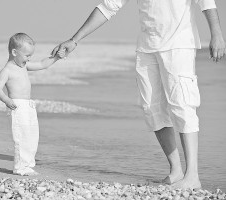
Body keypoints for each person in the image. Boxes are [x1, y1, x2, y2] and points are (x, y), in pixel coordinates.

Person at [51, 0, 225, 189]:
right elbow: (108, 7)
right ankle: (176, 171)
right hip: (147, 48)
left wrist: (217, 34)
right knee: (152, 109)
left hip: (179, 45)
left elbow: (207, 2)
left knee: (183, 105)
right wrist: (74, 39)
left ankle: (192, 176)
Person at [0, 33, 61, 176]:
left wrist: (57, 57)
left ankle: (28, 164)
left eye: (30, 56)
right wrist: (6, 100)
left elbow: (43, 64)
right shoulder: (7, 70)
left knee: (32, 136)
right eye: (27, 55)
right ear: (14, 52)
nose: (29, 59)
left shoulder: (24, 66)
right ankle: (20, 167)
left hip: (29, 106)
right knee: (21, 136)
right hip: (17, 106)